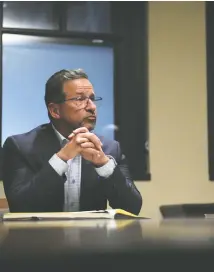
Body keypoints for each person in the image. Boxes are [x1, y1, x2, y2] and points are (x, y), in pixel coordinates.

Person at [2, 69, 142, 214]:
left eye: (92, 99)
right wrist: (61, 158)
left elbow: (133, 208)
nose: (92, 107)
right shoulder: (19, 147)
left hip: (91, 236)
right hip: (41, 236)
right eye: (80, 99)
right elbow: (20, 206)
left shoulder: (110, 148)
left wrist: (103, 165)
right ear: (55, 110)